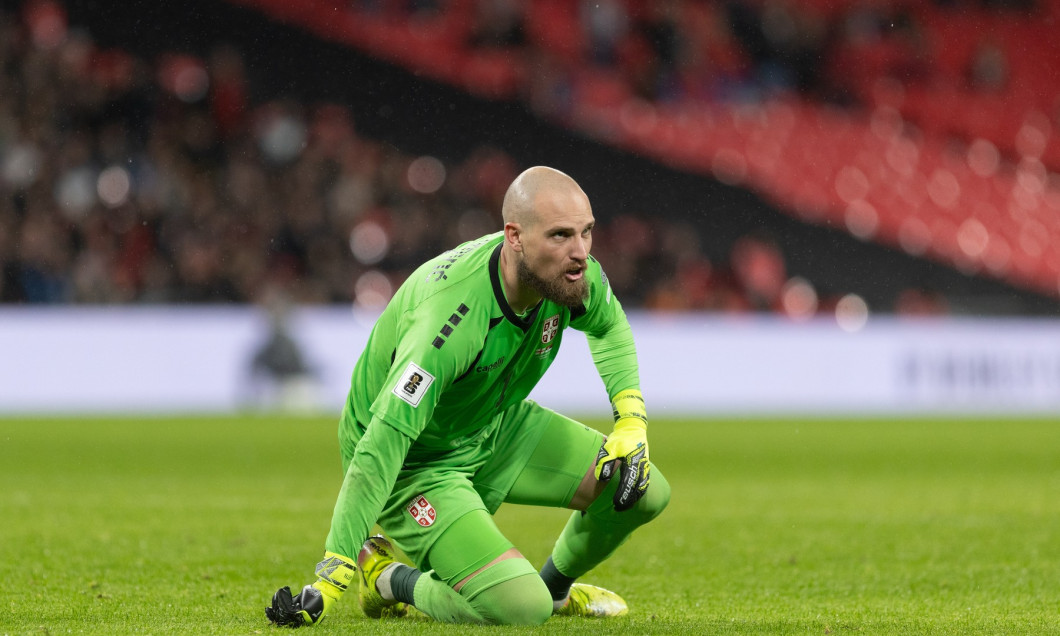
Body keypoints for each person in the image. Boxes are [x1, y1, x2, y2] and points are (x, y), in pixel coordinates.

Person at [265, 166, 670, 626]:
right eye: (560, 236)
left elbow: (609, 325)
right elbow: (381, 444)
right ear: (514, 237)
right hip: (416, 464)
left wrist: (631, 421)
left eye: (587, 232)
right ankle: (385, 577)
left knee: (645, 490)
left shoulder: (567, 275)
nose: (580, 253)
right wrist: (332, 569)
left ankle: (556, 590)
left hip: (492, 424)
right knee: (521, 608)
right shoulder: (449, 324)